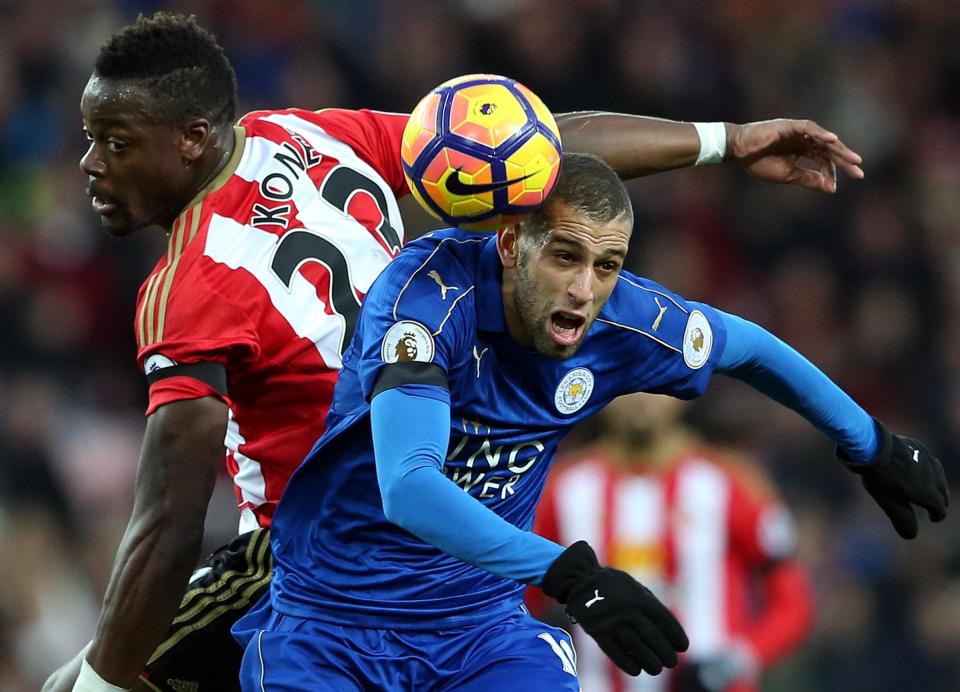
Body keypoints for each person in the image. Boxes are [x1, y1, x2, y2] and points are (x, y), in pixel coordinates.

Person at [47, 11, 871, 692]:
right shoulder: (299, 137)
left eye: (114, 141)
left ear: (191, 138)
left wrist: (105, 682)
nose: (90, 164)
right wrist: (727, 138)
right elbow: (531, 152)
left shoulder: (185, 287)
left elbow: (167, 523)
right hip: (462, 475)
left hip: (326, 550)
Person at [235, 152, 947, 690]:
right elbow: (409, 485)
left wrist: (871, 443)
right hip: (335, 622)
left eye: (607, 266)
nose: (585, 289)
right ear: (514, 244)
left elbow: (750, 348)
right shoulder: (428, 300)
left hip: (477, 628)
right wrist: (572, 576)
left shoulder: (623, 319)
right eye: (566, 256)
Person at [529, 392, 815, 692]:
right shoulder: (562, 489)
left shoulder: (734, 484)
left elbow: (793, 605)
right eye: (628, 382)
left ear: (682, 390)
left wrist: (733, 662)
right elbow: (517, 602)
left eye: (654, 383)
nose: (640, 398)